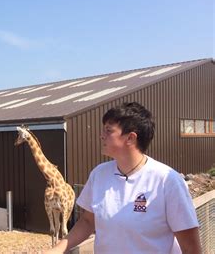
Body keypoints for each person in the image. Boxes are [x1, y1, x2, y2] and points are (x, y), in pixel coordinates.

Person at [47, 102, 201, 254]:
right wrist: (57, 250)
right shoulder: (99, 175)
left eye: (108, 130)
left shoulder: (167, 181)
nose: (102, 136)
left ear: (130, 138)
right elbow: (88, 221)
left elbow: (190, 248)